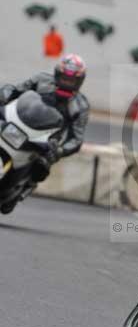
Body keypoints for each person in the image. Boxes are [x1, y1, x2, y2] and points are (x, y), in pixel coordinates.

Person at [0, 54, 89, 210]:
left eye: (71, 81)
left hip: (48, 140)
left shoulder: (81, 105)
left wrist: (60, 150)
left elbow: (76, 138)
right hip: (22, 122)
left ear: (79, 82)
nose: (67, 83)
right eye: (64, 78)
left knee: (42, 165)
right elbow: (18, 90)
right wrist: (6, 93)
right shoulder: (41, 80)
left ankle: (24, 186)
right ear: (57, 74)